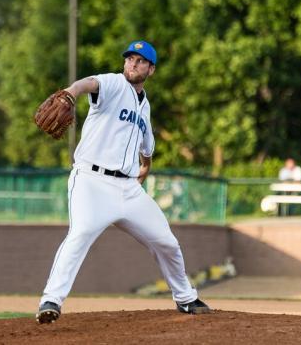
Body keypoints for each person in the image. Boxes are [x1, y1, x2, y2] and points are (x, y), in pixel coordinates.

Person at [35, 40, 210, 324]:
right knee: (80, 235)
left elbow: (147, 147)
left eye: (140, 61)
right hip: (91, 181)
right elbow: (89, 83)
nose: (132, 63)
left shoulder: (145, 107)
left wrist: (145, 168)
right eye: (130, 58)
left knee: (167, 242)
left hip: (128, 189)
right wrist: (70, 91)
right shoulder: (115, 84)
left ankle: (186, 298)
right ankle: (51, 300)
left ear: (151, 70)